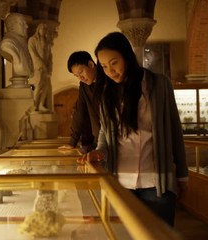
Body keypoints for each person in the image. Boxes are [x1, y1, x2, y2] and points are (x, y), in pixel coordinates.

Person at [79, 32, 188, 226]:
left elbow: (174, 130)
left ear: (127, 57)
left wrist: (182, 175)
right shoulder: (106, 93)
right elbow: (105, 133)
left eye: (114, 63)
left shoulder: (159, 84)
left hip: (156, 182)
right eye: (104, 66)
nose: (110, 71)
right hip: (121, 182)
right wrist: (99, 151)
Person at [58, 51, 101, 153]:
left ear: (91, 64)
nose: (80, 78)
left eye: (81, 72)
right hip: (98, 139)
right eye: (76, 76)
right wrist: (72, 142)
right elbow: (80, 111)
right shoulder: (84, 85)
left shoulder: (109, 79)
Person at [0, 13, 33, 87]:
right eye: (22, 23)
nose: (26, 26)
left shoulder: (21, 44)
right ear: (12, 26)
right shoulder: (8, 44)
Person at [28, 23, 53, 112]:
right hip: (38, 67)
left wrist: (49, 67)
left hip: (46, 67)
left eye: (45, 29)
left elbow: (50, 55)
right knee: (38, 85)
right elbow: (34, 54)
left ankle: (41, 104)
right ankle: (35, 105)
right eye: (42, 29)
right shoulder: (32, 40)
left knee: (46, 86)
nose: (43, 31)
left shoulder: (47, 41)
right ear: (38, 29)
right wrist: (41, 65)